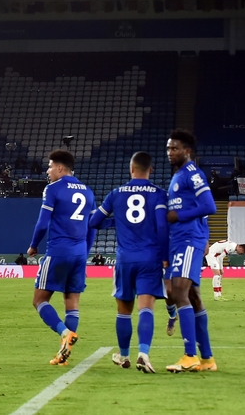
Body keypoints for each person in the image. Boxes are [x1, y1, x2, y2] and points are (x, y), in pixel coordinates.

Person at [88, 152, 169, 373]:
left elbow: (94, 221)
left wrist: (118, 222)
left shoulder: (116, 194)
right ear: (150, 170)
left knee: (124, 310)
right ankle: (143, 353)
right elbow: (162, 227)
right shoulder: (159, 194)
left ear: (131, 169)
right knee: (146, 308)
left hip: (125, 259)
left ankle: (124, 356)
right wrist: (165, 256)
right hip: (150, 258)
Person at [27, 149, 96, 366]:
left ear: (59, 168)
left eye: (49, 167)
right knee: (72, 303)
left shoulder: (53, 189)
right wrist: (85, 250)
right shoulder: (88, 191)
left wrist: (33, 245)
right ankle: (64, 352)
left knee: (39, 300)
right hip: (79, 254)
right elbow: (92, 227)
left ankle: (65, 332)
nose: (47, 171)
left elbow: (42, 223)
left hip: (58, 251)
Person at [164, 130, 217, 373]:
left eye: (174, 148)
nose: (170, 153)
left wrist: (179, 216)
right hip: (181, 240)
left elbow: (209, 206)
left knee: (179, 292)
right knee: (193, 297)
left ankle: (189, 355)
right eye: (168, 149)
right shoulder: (178, 176)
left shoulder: (192, 175)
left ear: (187, 151)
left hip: (188, 240)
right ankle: (207, 359)